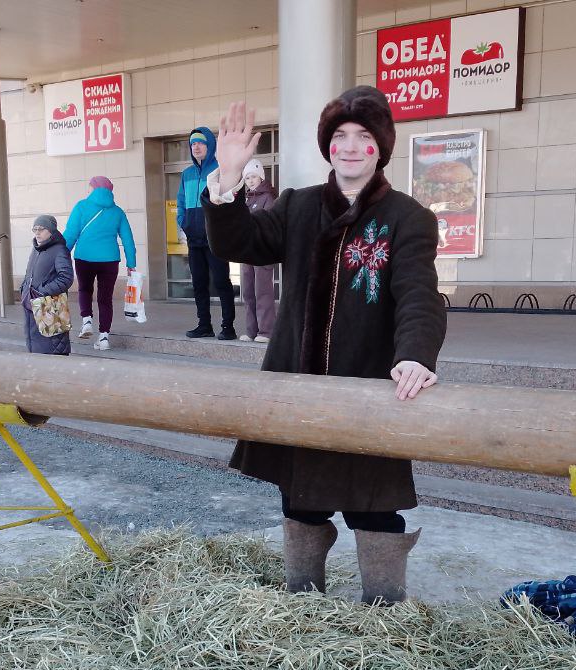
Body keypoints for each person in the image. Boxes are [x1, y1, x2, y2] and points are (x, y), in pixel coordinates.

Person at [203, 88, 445, 604]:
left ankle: (383, 617)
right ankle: (301, 608)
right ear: (327, 146)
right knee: (301, 501)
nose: (351, 147)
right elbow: (238, 244)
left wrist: (415, 355)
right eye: (340, 137)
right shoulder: (298, 204)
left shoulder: (407, 217)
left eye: (363, 137)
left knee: (374, 506)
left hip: (370, 390)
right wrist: (226, 181)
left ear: (380, 148)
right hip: (297, 385)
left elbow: (419, 295)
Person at [63, 175, 137, 352]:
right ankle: (104, 337)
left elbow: (71, 233)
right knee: (105, 299)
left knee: (85, 290)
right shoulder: (118, 211)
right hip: (110, 260)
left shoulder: (81, 206)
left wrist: (61, 255)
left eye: (89, 187)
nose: (87, 190)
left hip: (84, 257)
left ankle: (87, 320)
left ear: (94, 188)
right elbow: (128, 239)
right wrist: (131, 263)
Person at [176, 126, 237, 340]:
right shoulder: (187, 174)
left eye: (200, 142)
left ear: (209, 145)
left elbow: (230, 201)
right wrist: (183, 222)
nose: (196, 146)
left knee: (221, 282)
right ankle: (204, 325)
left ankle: (228, 327)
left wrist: (221, 228)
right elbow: (181, 202)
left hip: (215, 239)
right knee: (199, 284)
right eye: (192, 143)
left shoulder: (219, 170)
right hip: (194, 239)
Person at [20, 215, 75, 355]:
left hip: (50, 306)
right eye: (35, 229)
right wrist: (24, 289)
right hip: (32, 303)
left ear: (51, 231)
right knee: (35, 347)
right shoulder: (36, 249)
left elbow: (66, 277)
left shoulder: (59, 250)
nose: (37, 232)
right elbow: (30, 273)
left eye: (41, 229)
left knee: (51, 347)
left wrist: (42, 292)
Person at [237, 159, 278, 343]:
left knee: (262, 292)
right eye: (247, 178)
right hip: (247, 252)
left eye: (253, 176)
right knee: (248, 292)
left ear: (261, 176)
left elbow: (268, 225)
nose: (250, 180)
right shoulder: (246, 198)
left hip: (262, 252)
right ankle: (251, 330)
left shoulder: (268, 197)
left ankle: (266, 331)